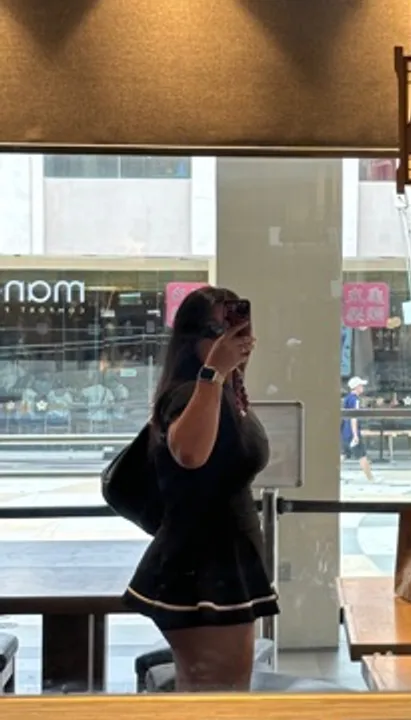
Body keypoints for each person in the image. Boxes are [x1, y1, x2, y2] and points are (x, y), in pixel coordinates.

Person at [123, 286, 279, 691]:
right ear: (191, 339)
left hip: (224, 564)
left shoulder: (225, 392)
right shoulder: (190, 393)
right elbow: (190, 454)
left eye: (240, 328)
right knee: (212, 694)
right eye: (218, 331)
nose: (234, 340)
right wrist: (213, 373)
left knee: (225, 693)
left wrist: (221, 374)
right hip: (200, 570)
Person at [341, 376, 376, 482]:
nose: (363, 387)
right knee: (362, 455)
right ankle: (371, 479)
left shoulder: (347, 398)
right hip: (352, 430)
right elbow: (354, 417)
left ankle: (330, 474)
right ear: (357, 387)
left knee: (344, 454)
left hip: (345, 430)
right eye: (361, 385)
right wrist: (355, 435)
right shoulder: (355, 400)